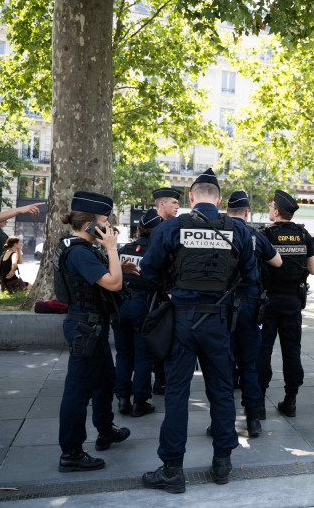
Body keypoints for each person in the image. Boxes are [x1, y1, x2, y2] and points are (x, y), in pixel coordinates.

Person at [140, 169, 257, 492]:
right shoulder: (238, 230)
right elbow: (251, 277)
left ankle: (172, 469)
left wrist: (169, 286)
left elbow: (148, 271)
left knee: (176, 393)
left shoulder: (171, 227)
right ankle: (222, 462)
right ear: (219, 199)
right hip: (218, 321)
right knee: (221, 390)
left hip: (180, 319)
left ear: (191, 197)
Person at [52, 191, 130, 472]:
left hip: (92, 325)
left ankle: (105, 429)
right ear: (89, 225)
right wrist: (112, 249)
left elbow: (103, 276)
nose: (108, 226)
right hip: (85, 326)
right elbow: (112, 285)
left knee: (105, 381)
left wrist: (120, 266)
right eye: (104, 221)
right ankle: (71, 452)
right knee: (78, 391)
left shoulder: (78, 246)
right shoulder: (79, 251)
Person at [223, 190, 281, 436]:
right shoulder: (257, 236)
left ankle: (222, 419)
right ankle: (253, 419)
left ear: (227, 211)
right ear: (247, 213)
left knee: (222, 365)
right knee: (248, 364)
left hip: (222, 305)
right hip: (249, 304)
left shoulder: (220, 233)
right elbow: (278, 263)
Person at [256, 190, 314, 418]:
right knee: (292, 351)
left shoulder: (265, 235)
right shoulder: (303, 234)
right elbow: (312, 269)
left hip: (268, 302)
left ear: (276, 211)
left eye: (271, 206)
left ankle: (259, 403)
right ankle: (290, 401)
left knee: (263, 351)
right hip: (293, 302)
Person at [112, 209, 163, 418]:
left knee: (123, 353)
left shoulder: (125, 248)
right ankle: (140, 401)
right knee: (143, 354)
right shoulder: (158, 251)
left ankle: (123, 398)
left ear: (139, 229)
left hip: (121, 305)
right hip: (144, 306)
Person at [149, 187, 181, 396]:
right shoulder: (156, 227)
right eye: (173, 203)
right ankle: (160, 379)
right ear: (162, 204)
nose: (178, 207)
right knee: (162, 336)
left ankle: (162, 379)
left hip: (167, 289)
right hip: (160, 291)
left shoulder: (172, 226)